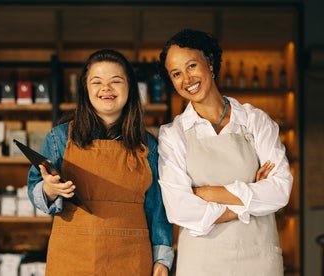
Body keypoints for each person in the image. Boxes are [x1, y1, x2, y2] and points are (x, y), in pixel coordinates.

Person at [157, 29, 293, 275]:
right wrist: (248, 200)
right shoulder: (173, 134)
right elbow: (179, 208)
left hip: (259, 258)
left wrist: (210, 193)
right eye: (176, 74)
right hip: (201, 262)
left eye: (191, 66)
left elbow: (280, 190)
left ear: (209, 63)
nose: (187, 79)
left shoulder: (254, 120)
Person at [27, 49, 174, 276]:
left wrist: (162, 259)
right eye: (97, 82)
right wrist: (48, 189)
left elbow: (157, 209)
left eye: (116, 81)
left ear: (130, 88)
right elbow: (35, 188)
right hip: (72, 259)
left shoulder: (149, 146)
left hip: (132, 260)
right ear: (85, 89)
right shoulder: (59, 138)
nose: (106, 88)